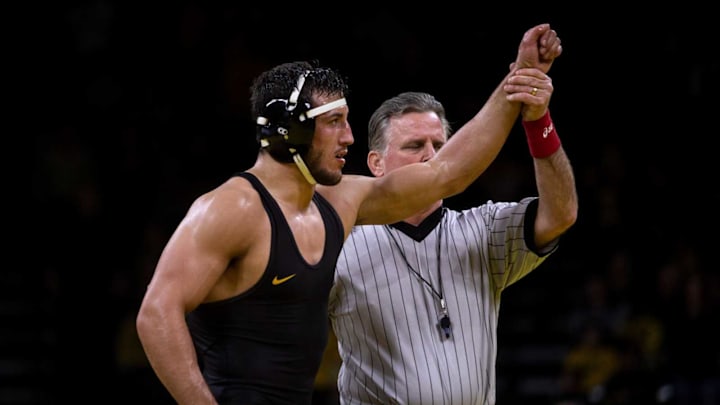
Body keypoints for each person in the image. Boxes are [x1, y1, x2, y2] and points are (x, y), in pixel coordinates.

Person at [135, 23, 563, 405]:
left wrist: (516, 86)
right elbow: (156, 314)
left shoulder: (340, 202)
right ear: (293, 129)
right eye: (335, 122)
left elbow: (447, 174)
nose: (350, 137)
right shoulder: (233, 207)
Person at [327, 73, 577, 404]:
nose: (433, 158)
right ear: (376, 164)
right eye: (415, 146)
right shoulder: (339, 243)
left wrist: (539, 122)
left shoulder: (483, 229)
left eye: (441, 147)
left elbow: (561, 214)